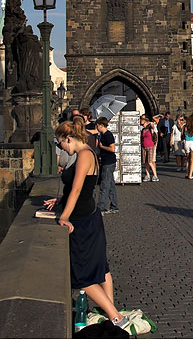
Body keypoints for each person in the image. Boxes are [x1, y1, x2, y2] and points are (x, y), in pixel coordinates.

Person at [43, 118, 131, 331]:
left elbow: (77, 189)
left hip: (82, 220)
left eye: (61, 143)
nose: (61, 148)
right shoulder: (88, 153)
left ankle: (115, 316)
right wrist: (60, 200)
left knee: (82, 275)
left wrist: (63, 216)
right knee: (101, 267)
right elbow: (76, 190)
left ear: (69, 138)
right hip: (89, 215)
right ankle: (110, 310)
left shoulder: (84, 155)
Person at [94, 117, 120, 215]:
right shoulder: (102, 135)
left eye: (97, 125)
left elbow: (112, 149)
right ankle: (114, 206)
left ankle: (101, 207)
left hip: (108, 162)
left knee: (104, 185)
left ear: (101, 125)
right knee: (111, 184)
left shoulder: (108, 135)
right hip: (106, 161)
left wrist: (101, 147)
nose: (96, 127)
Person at [140, 114, 158, 182]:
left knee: (150, 161)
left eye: (143, 124)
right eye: (141, 124)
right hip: (144, 146)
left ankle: (155, 175)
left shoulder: (151, 128)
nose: (142, 125)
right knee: (145, 162)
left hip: (150, 146)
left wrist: (150, 123)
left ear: (146, 122)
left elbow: (153, 125)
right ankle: (147, 175)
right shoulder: (143, 129)